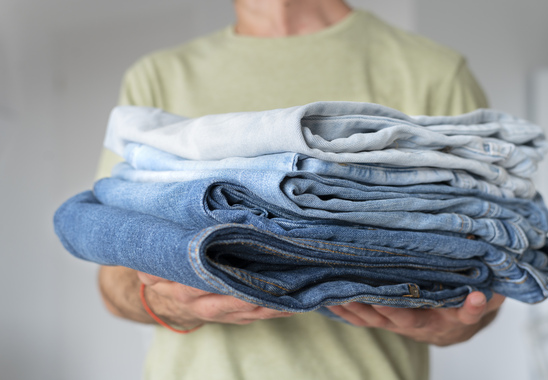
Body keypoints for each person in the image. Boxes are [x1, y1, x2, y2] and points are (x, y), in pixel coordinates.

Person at [96, 0, 505, 379]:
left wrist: (447, 324)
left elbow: (487, 258)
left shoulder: (431, 72)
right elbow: (113, 279)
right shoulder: (157, 79)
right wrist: (167, 303)